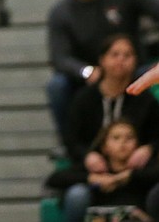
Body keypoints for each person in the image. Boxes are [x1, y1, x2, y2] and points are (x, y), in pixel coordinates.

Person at [48, 0, 159, 139]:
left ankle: (154, 141)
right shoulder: (61, 12)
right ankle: (70, 145)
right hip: (94, 74)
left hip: (134, 67)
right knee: (57, 86)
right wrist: (86, 71)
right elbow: (60, 57)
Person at [57, 35, 159, 222]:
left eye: (127, 55)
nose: (121, 60)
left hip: (138, 174)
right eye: (115, 54)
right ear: (101, 60)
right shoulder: (84, 99)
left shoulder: (146, 100)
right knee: (76, 196)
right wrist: (88, 157)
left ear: (136, 60)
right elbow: (70, 141)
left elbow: (157, 137)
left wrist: (149, 148)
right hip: (94, 174)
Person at [47, 119, 159, 221]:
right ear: (104, 147)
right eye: (116, 138)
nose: (123, 142)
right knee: (77, 193)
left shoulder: (146, 169)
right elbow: (54, 179)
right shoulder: (96, 169)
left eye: (129, 138)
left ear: (137, 145)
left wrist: (127, 176)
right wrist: (91, 178)